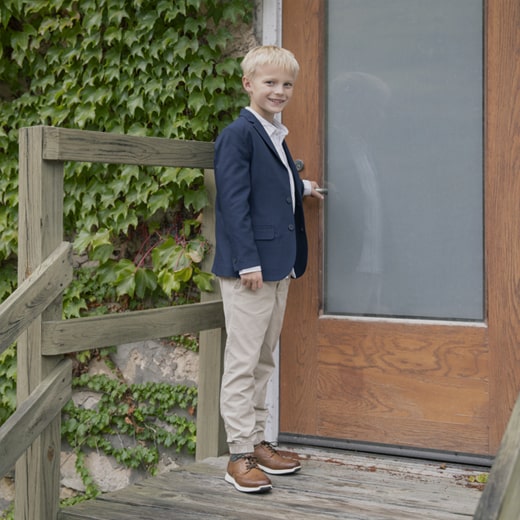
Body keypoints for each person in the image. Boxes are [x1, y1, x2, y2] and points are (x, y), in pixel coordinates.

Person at [212, 45, 324, 493]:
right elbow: (234, 202)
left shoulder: (274, 133)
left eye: (287, 85)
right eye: (270, 83)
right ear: (248, 84)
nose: (279, 91)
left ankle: (258, 442)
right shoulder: (238, 135)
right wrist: (247, 261)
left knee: (263, 358)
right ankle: (238, 455)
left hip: (280, 265)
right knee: (242, 363)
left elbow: (274, 184)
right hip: (252, 269)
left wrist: (305, 187)